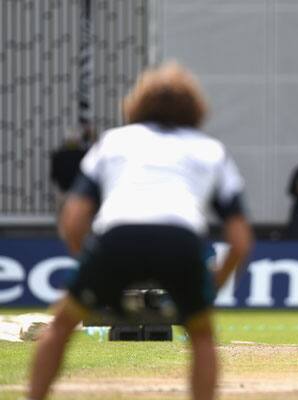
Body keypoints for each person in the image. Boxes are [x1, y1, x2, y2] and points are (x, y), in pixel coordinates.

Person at [26, 62, 254, 400]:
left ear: (138, 103)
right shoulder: (211, 150)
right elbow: (240, 240)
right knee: (202, 337)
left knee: (60, 326)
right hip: (181, 241)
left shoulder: (114, 141)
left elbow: (73, 220)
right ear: (195, 108)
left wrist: (93, 264)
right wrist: (214, 285)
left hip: (117, 237)